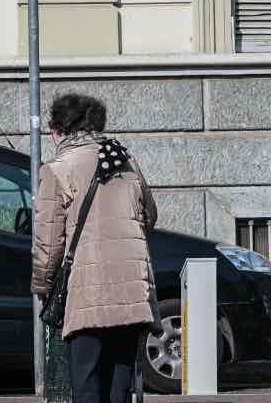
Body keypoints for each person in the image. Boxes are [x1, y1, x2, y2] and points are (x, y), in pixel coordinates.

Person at [31, 93, 158, 403]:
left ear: (57, 130)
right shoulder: (125, 159)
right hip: (131, 290)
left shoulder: (57, 170)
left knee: (86, 384)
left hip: (87, 292)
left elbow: (47, 244)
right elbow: (150, 216)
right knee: (120, 386)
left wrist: (43, 287)